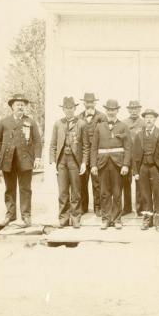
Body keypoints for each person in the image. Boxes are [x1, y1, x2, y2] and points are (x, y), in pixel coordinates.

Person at [0, 93, 42, 227]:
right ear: (12, 107)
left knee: (25, 189)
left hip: (25, 160)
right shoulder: (4, 122)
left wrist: (37, 158)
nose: (20, 107)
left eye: (22, 105)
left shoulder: (30, 122)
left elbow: (37, 141)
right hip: (7, 160)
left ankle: (26, 215)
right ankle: (10, 214)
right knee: (9, 189)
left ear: (24, 107)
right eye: (17, 105)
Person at [90, 99, 131, 230]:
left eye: (113, 110)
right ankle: (106, 219)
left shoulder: (123, 126)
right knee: (104, 193)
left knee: (117, 192)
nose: (111, 112)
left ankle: (117, 219)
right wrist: (93, 165)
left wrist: (125, 164)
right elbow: (93, 148)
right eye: (108, 109)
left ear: (117, 110)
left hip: (118, 164)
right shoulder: (99, 126)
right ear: (106, 110)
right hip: (102, 164)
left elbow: (128, 147)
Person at [49, 96, 89, 229]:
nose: (68, 111)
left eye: (71, 108)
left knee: (76, 191)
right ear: (63, 109)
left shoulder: (82, 123)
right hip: (61, 161)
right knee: (63, 192)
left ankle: (76, 218)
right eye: (66, 108)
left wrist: (84, 162)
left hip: (74, 160)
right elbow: (53, 145)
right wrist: (53, 162)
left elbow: (85, 146)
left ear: (75, 108)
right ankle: (63, 218)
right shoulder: (57, 124)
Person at [132, 109, 159, 232]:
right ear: (144, 120)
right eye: (147, 118)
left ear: (155, 119)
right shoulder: (139, 135)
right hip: (143, 168)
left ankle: (158, 222)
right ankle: (147, 220)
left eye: (151, 117)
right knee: (145, 195)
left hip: (155, 168)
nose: (149, 120)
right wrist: (135, 172)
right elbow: (134, 155)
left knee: (157, 195)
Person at [77, 92, 105, 216]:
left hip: (96, 155)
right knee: (82, 182)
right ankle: (83, 207)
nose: (89, 104)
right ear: (84, 103)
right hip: (83, 155)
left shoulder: (102, 117)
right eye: (87, 102)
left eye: (91, 102)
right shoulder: (78, 117)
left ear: (95, 103)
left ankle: (98, 206)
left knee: (97, 182)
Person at [123, 100, 145, 215]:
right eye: (131, 109)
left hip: (139, 157)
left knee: (139, 182)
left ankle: (140, 208)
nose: (134, 111)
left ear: (139, 110)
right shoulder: (123, 123)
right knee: (126, 182)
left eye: (136, 109)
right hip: (126, 156)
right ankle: (127, 207)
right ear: (128, 110)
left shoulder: (144, 123)